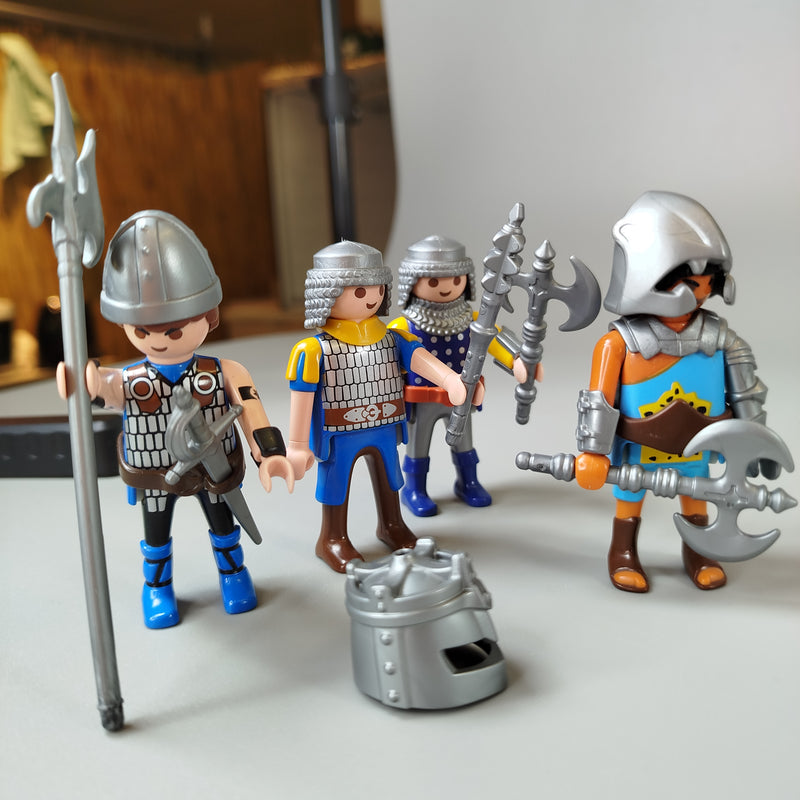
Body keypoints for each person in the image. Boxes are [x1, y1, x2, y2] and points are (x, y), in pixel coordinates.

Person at [62, 210, 293, 628]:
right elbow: (101, 387)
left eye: (173, 331)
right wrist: (82, 380)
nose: (158, 340)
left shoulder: (223, 371)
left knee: (224, 525)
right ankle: (157, 588)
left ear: (207, 316)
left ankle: (233, 574)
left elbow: (249, 407)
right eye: (143, 331)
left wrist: (270, 452)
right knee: (156, 535)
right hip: (155, 473)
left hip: (215, 470)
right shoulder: (131, 380)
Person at [573, 191, 778, 592]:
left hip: (698, 445)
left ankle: (698, 551)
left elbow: (745, 393)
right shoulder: (620, 343)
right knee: (630, 496)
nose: (698, 294)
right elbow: (599, 401)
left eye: (706, 283)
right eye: (686, 282)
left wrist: (755, 442)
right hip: (638, 447)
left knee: (697, 496)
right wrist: (592, 452)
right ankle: (623, 551)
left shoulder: (721, 338)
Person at [285, 240, 483, 572]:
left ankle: (392, 525)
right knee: (336, 484)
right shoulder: (314, 349)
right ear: (326, 293)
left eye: (376, 289)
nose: (371, 298)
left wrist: (449, 379)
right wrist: (296, 445)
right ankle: (332, 538)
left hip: (385, 425)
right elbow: (302, 395)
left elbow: (421, 359)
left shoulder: (392, 337)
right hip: (339, 431)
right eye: (359, 291)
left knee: (391, 478)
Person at [388, 235, 527, 516]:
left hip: (462, 397)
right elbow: (389, 359)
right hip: (422, 400)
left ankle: (468, 482)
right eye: (433, 281)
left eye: (455, 279)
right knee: (418, 447)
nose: (446, 287)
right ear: (412, 282)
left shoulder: (473, 321)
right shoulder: (404, 326)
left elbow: (495, 339)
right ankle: (414, 489)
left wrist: (517, 360)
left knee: (465, 444)